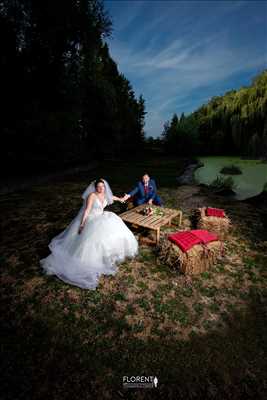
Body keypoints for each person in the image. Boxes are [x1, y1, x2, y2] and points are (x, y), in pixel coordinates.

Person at [40, 179, 138, 289]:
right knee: (92, 239)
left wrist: (120, 199)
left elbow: (112, 197)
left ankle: (108, 255)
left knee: (113, 226)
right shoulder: (92, 196)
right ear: (95, 187)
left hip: (102, 216)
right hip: (92, 218)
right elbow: (87, 210)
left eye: (103, 186)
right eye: (99, 187)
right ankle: (90, 260)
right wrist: (82, 225)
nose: (101, 188)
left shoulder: (105, 194)